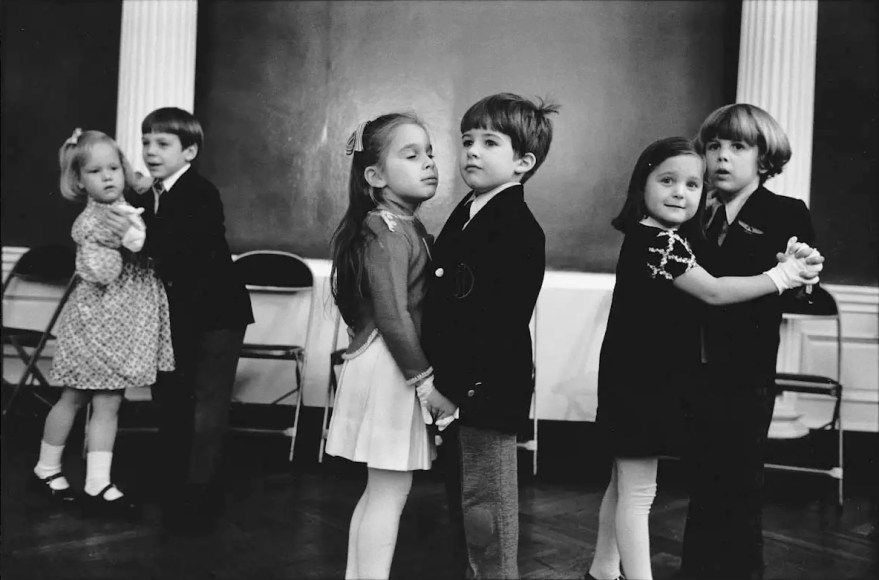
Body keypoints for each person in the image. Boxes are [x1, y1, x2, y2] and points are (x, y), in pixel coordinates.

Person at [585, 137, 823, 580]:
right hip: (641, 386)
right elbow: (714, 292)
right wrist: (781, 275)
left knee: (623, 485)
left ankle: (602, 571)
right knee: (638, 494)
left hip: (633, 380)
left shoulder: (658, 238)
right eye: (668, 180)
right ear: (643, 186)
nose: (680, 192)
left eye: (693, 184)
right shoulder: (659, 243)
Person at [677, 104, 820, 580]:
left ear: (763, 158)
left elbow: (804, 282)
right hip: (693, 369)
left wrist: (802, 269)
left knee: (739, 486)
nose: (721, 156)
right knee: (700, 481)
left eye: (737, 146)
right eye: (714, 146)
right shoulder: (692, 211)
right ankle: (695, 571)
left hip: (745, 374)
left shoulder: (785, 212)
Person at [422, 93, 558, 579]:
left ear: (523, 162)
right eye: (466, 141)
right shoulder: (469, 208)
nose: (471, 152)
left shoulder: (518, 227)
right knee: (464, 500)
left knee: (487, 509)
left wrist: (452, 388)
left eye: (489, 142)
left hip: (485, 388)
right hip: (458, 386)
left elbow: (497, 324)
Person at [100, 107, 254, 533]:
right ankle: (174, 482)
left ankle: (198, 491)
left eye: (162, 143)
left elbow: (182, 246)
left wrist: (138, 235)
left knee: (206, 403)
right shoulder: (155, 193)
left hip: (216, 315)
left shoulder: (200, 192)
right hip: (180, 316)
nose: (150, 150)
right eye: (146, 141)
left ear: (190, 150)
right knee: (171, 396)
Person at [325, 113, 454, 580]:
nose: (429, 163)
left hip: (383, 361)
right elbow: (393, 314)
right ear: (374, 177)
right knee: (389, 492)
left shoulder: (400, 226)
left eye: (430, 152)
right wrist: (425, 384)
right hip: (394, 366)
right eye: (411, 154)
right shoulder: (388, 229)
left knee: (379, 491)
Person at [30, 129, 174, 516]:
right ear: (79, 180)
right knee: (73, 396)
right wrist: (118, 242)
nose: (108, 176)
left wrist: (142, 192)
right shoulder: (93, 222)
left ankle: (98, 481)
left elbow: (144, 205)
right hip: (95, 324)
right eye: (96, 171)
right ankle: (46, 468)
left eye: (114, 167)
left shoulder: (125, 206)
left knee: (110, 401)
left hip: (121, 323)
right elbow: (104, 272)